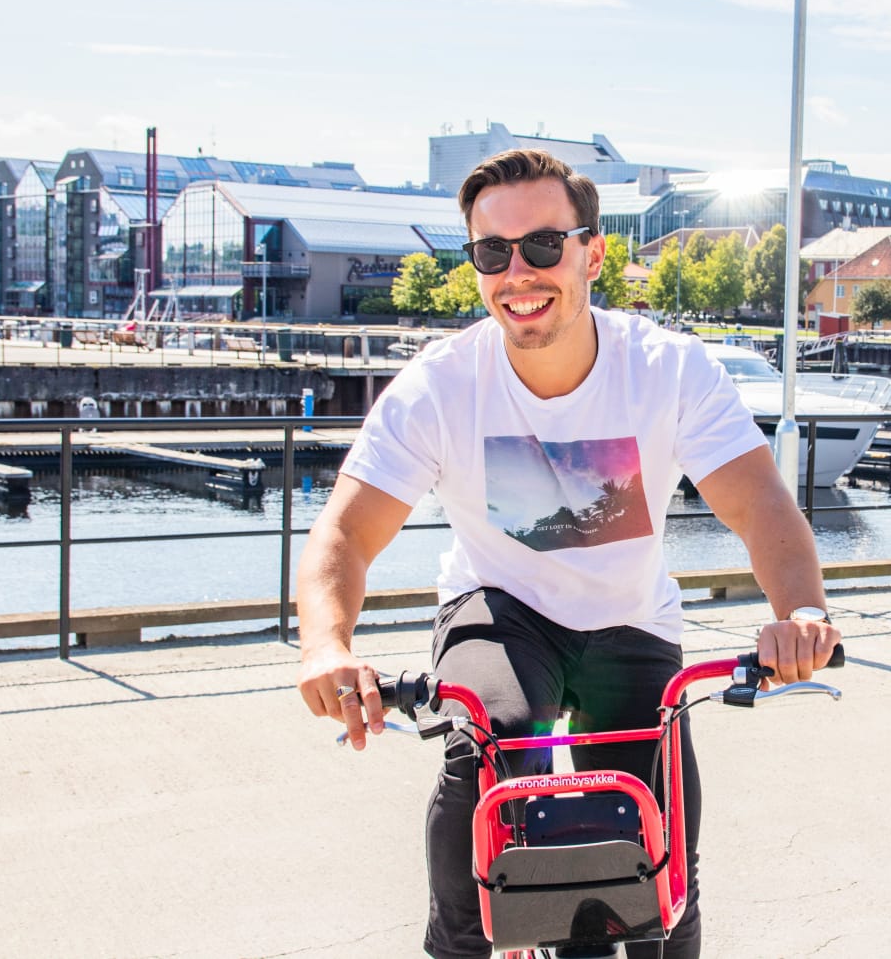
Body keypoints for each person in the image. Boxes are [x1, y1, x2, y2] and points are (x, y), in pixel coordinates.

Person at [295, 149, 838, 959]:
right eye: (492, 252)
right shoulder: (441, 384)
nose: (519, 271)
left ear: (592, 253)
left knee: (665, 859)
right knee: (490, 737)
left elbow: (759, 503)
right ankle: (460, 943)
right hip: (499, 610)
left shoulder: (668, 369)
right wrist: (326, 646)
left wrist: (800, 613)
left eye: (544, 246)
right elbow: (345, 532)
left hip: (630, 622)